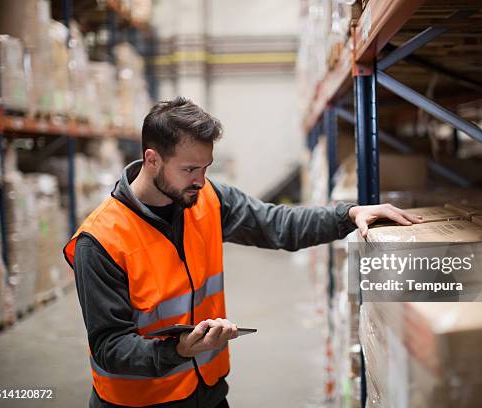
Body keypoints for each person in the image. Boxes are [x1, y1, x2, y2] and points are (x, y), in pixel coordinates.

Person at [63, 97, 422, 408]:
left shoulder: (206, 199)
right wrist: (178, 350)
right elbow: (110, 346)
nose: (201, 181)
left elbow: (277, 224)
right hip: (142, 403)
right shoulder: (100, 241)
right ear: (152, 159)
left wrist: (348, 214)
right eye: (189, 169)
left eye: (206, 168)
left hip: (208, 391)